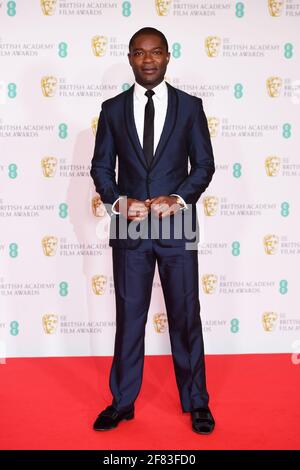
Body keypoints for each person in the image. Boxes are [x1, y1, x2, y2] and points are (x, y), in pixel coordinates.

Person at [90, 27, 215, 435]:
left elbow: (203, 166)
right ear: (129, 58)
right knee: (129, 318)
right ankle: (122, 402)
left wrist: (178, 199)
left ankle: (197, 401)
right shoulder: (112, 110)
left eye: (156, 52)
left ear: (167, 56)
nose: (148, 59)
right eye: (140, 53)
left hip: (178, 225)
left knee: (185, 316)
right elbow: (101, 168)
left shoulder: (191, 107)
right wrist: (116, 201)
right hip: (129, 228)